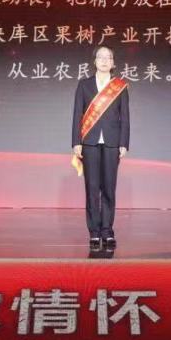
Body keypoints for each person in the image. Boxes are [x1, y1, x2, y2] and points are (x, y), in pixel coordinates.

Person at [72, 46, 130, 251]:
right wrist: (76, 142)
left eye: (108, 57)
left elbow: (125, 117)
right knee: (92, 188)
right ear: (94, 61)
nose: (104, 61)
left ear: (113, 62)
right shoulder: (84, 85)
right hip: (89, 142)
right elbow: (77, 114)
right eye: (101, 57)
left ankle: (107, 231)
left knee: (109, 188)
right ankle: (94, 233)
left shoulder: (120, 86)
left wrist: (124, 143)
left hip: (112, 143)